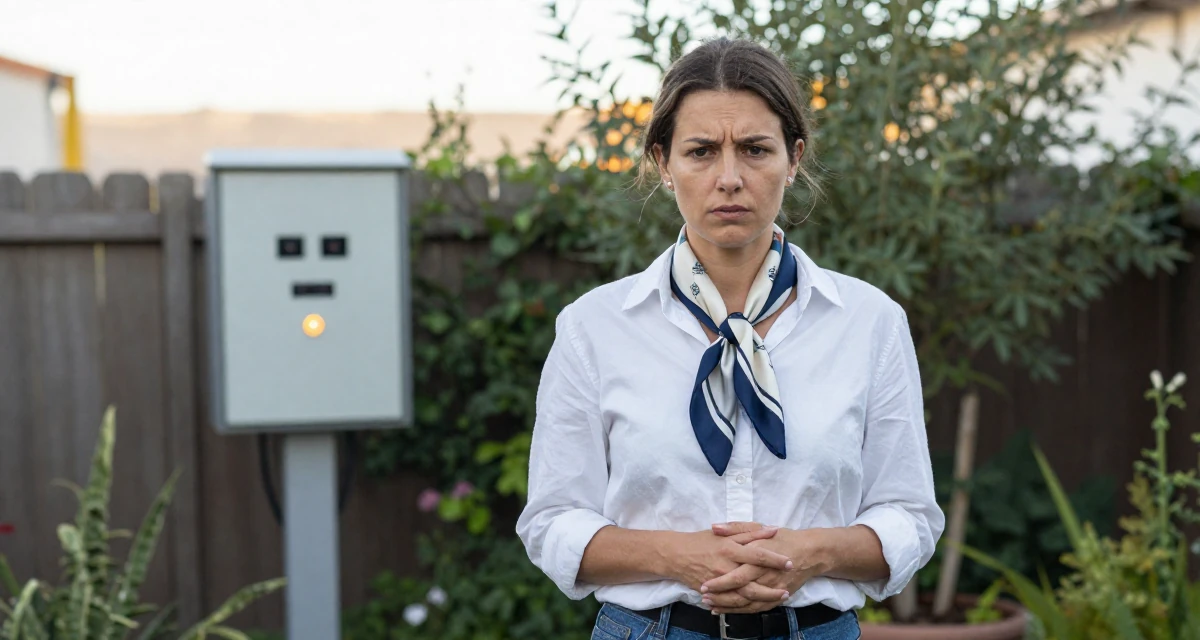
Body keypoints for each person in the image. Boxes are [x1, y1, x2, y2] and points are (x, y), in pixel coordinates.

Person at [516, 37, 944, 640]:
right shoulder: (594, 327)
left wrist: (806, 554)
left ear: (793, 159)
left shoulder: (870, 321)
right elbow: (553, 523)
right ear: (663, 163)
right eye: (701, 151)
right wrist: (681, 557)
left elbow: (910, 517)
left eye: (755, 149)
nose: (729, 178)